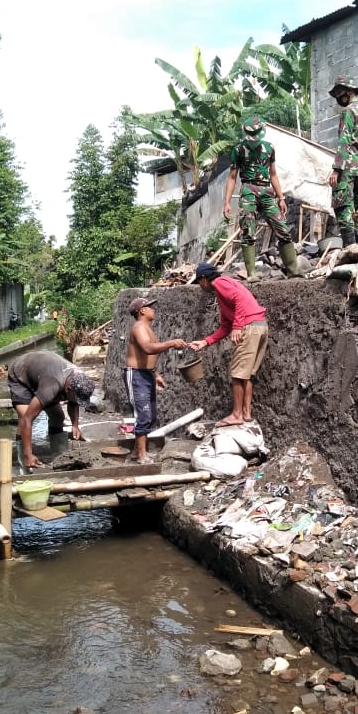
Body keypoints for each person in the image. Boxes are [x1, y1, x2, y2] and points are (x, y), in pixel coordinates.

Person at [188, 262, 268, 427]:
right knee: (247, 374)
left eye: (199, 282)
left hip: (249, 327)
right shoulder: (224, 290)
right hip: (260, 326)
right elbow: (225, 326)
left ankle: (237, 414)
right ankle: (246, 413)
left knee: (238, 374)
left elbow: (238, 300)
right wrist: (205, 342)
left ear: (204, 279)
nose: (200, 286)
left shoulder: (220, 283)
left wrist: (238, 326)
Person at [223, 116, 300, 279]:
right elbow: (232, 177)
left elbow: (273, 174)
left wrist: (281, 198)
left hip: (267, 192)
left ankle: (294, 271)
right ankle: (251, 274)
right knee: (248, 232)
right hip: (248, 191)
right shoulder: (238, 150)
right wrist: (227, 202)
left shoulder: (269, 148)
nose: (255, 136)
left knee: (283, 230)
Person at [7, 349, 96, 469]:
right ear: (69, 388)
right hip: (21, 375)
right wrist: (29, 454)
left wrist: (75, 425)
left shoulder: (78, 378)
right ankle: (25, 461)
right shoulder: (52, 385)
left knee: (58, 417)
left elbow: (73, 402)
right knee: (25, 416)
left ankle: (59, 456)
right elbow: (27, 419)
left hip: (42, 374)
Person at [124, 297, 186, 463]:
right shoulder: (139, 327)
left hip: (147, 373)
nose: (153, 309)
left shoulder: (147, 328)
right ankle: (142, 455)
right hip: (136, 374)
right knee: (143, 414)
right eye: (150, 307)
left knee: (150, 415)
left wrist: (156, 374)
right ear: (142, 311)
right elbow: (147, 348)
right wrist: (171, 343)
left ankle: (137, 452)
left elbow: (147, 356)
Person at [328, 75, 358, 247]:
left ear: (349, 91)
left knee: (343, 209)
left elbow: (344, 140)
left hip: (347, 166)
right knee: (356, 211)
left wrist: (336, 168)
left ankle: (351, 250)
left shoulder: (349, 111)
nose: (338, 98)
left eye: (340, 94)